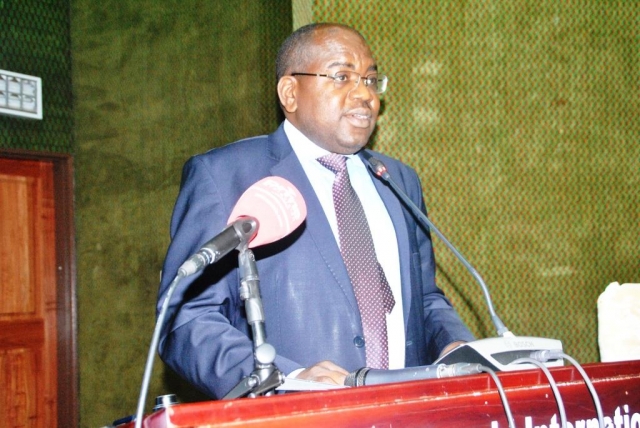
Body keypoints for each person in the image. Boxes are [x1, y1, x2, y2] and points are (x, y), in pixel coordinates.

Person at [157, 22, 474, 399]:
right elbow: (186, 318)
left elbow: (424, 299)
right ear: (290, 92)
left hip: (407, 412)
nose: (365, 95)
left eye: (371, 81)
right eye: (342, 76)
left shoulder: (398, 180)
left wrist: (457, 346)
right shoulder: (227, 176)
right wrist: (285, 378)